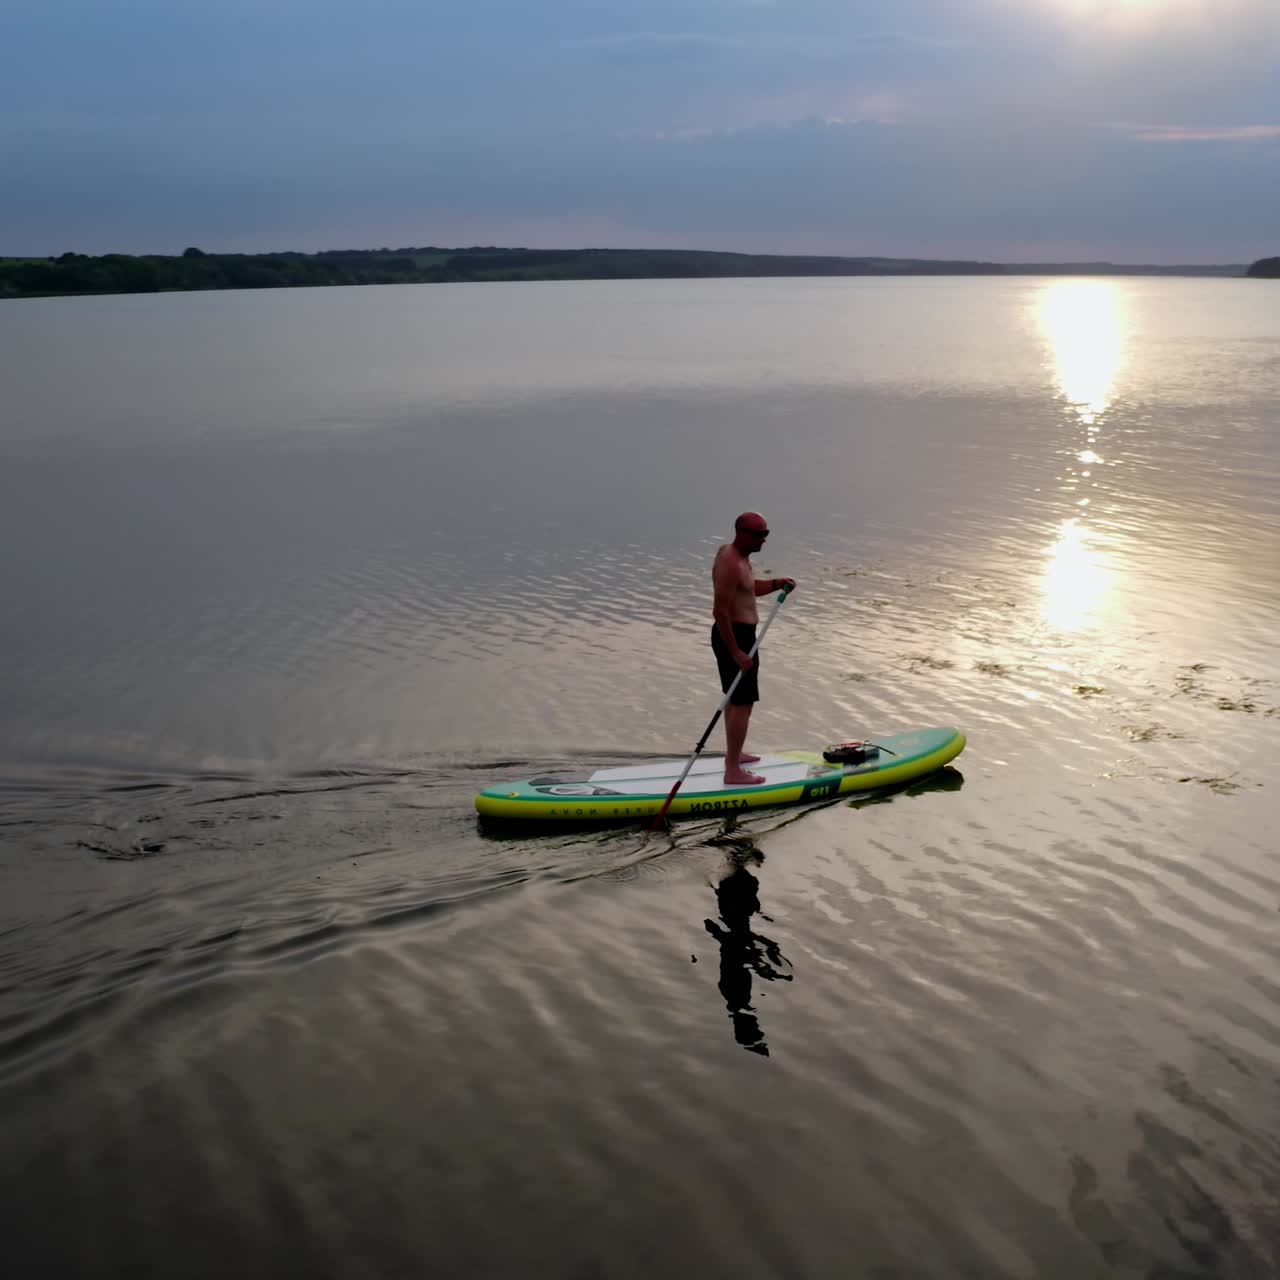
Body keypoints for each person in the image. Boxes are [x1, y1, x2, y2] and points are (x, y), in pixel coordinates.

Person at [711, 512, 795, 785]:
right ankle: (732, 770)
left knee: (735, 700)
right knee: (743, 703)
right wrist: (736, 652)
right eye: (760, 534)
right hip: (733, 636)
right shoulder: (730, 563)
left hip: (744, 635)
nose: (764, 540)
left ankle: (733, 756)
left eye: (766, 533)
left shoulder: (740, 558)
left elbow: (747, 591)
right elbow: (720, 612)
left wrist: (775, 584)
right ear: (743, 533)